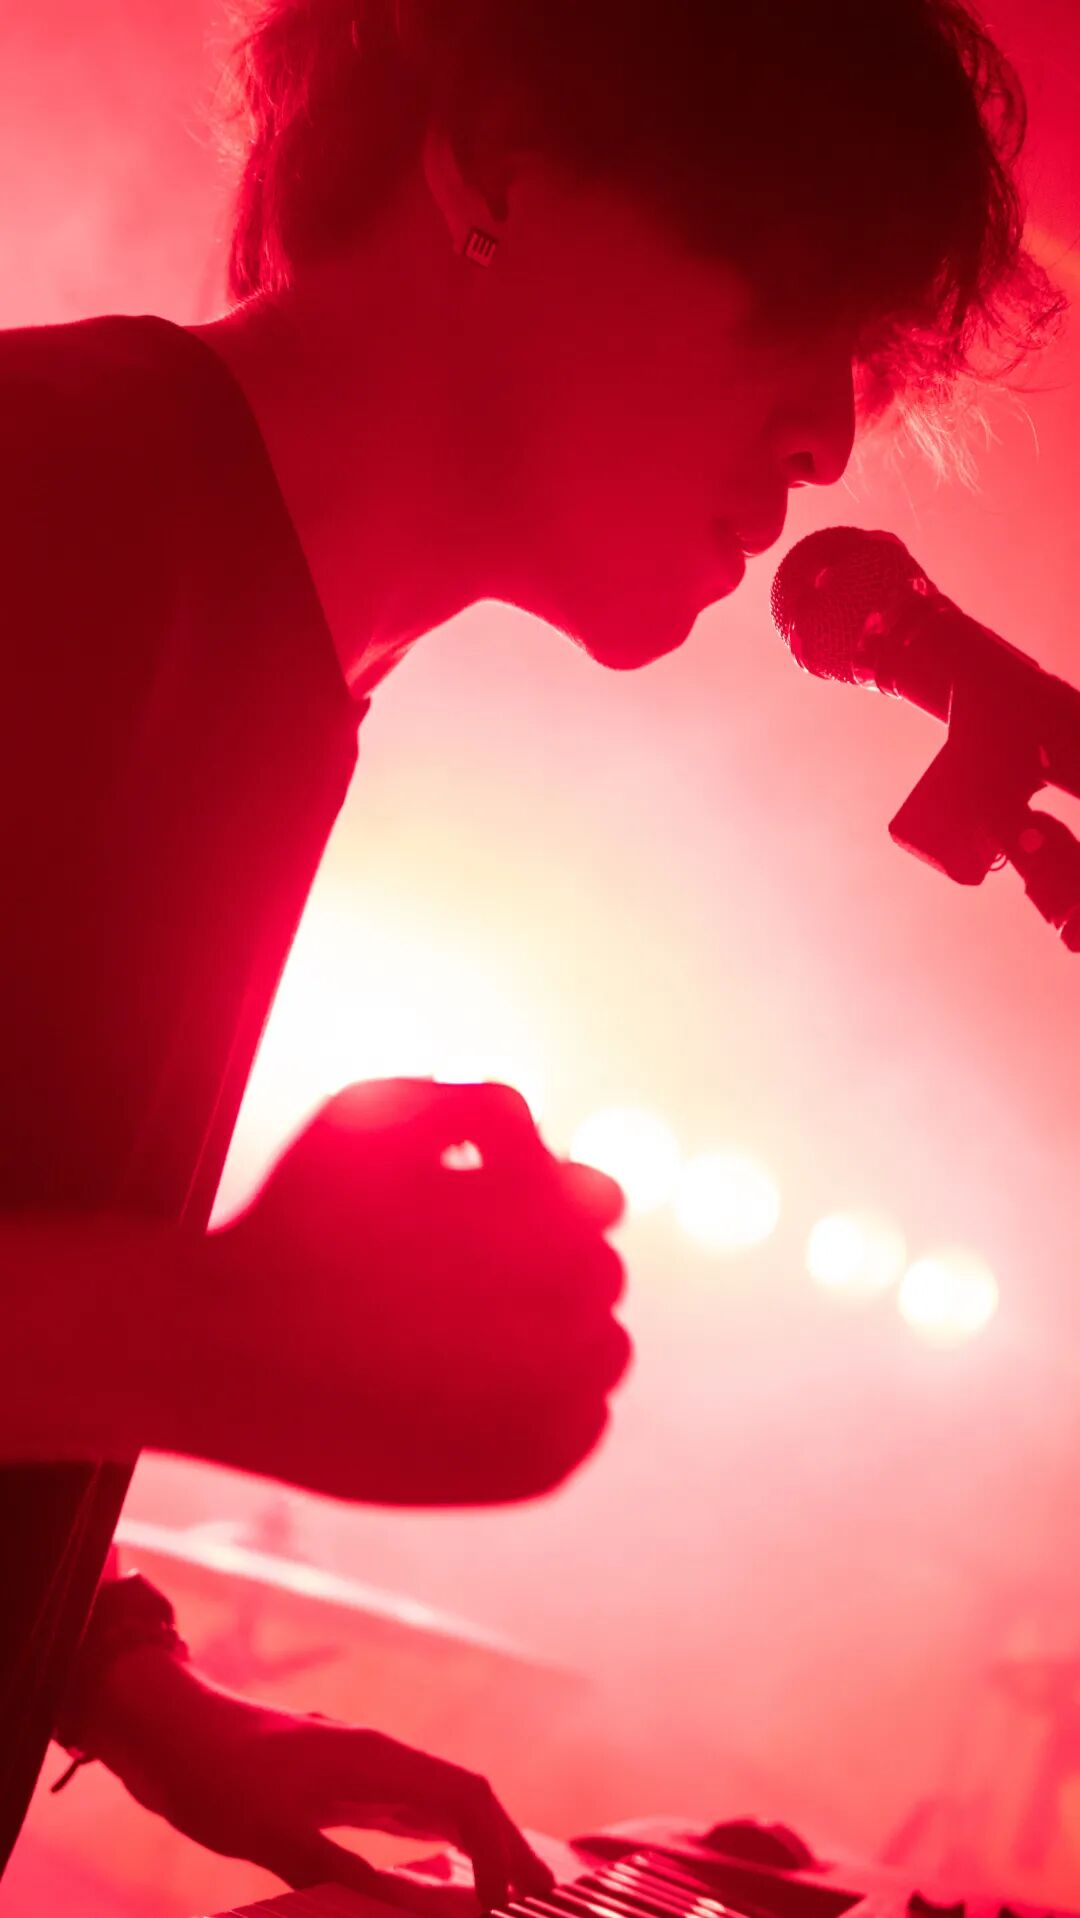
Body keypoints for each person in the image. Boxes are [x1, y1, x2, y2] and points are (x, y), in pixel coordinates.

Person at [0, 0, 1061, 1903]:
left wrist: (116, 1669)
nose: (831, 435)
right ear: (494, 160)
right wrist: (204, 1335)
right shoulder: (43, 495)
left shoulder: (258, 651)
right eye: (791, 288)